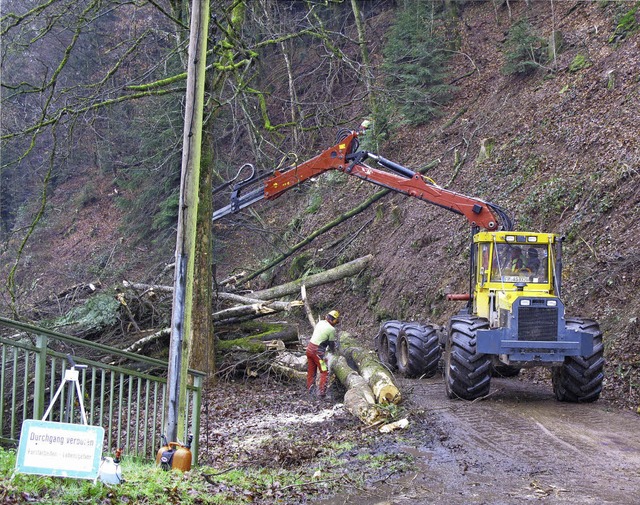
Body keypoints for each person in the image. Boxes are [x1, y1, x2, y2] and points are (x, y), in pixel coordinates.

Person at [306, 310, 339, 399]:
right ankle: (321, 393)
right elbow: (331, 344)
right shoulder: (332, 329)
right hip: (317, 353)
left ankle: (310, 391)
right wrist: (334, 352)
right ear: (334, 320)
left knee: (311, 372)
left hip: (309, 349)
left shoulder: (320, 322)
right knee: (325, 371)